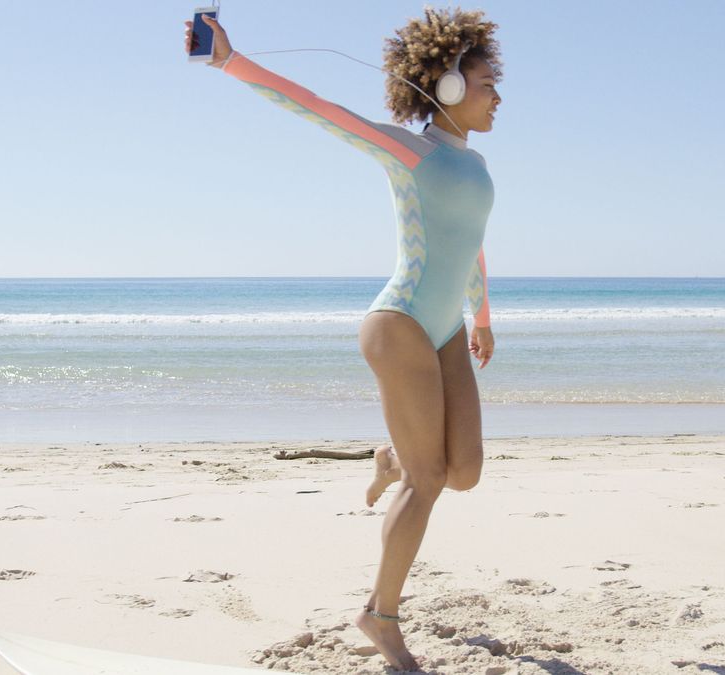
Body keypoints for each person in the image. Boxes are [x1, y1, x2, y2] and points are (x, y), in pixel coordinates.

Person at [185, 8, 503, 671]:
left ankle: (390, 454)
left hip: (445, 329)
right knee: (429, 478)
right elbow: (317, 106)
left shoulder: (478, 170)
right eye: (483, 82)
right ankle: (379, 616)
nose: (496, 95)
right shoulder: (409, 152)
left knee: (463, 470)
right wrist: (230, 60)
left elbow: (470, 242)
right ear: (445, 87)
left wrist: (481, 315)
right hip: (401, 324)